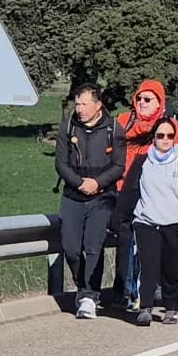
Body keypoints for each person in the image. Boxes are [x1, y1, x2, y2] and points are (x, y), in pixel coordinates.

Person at [114, 115, 178, 326]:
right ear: (153, 137)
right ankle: (145, 306)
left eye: (170, 136)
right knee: (149, 265)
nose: (165, 139)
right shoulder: (142, 162)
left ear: (175, 139)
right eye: (160, 135)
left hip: (174, 223)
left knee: (171, 268)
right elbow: (129, 192)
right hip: (147, 222)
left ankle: (171, 308)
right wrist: (119, 219)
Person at [55, 85, 123, 320]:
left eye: (84, 104)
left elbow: (119, 166)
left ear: (98, 105)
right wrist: (79, 182)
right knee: (71, 248)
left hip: (102, 197)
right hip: (73, 196)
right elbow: (61, 164)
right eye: (77, 104)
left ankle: (89, 296)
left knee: (94, 246)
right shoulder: (67, 128)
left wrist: (98, 182)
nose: (79, 109)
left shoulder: (114, 129)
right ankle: (81, 283)